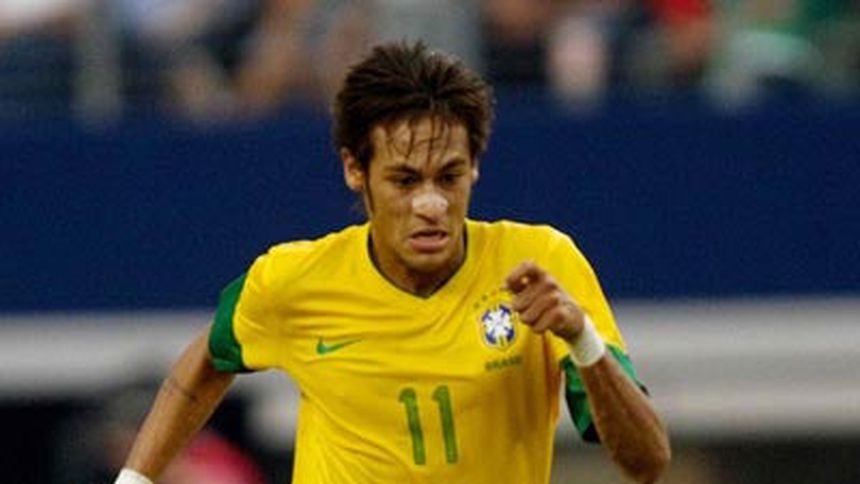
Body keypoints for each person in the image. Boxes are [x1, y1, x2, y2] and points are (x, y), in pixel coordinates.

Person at [115, 40, 670, 484]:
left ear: (475, 166)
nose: (431, 204)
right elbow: (208, 359)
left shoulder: (542, 265)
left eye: (449, 177)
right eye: (405, 180)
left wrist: (582, 339)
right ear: (355, 170)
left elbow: (647, 462)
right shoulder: (294, 280)